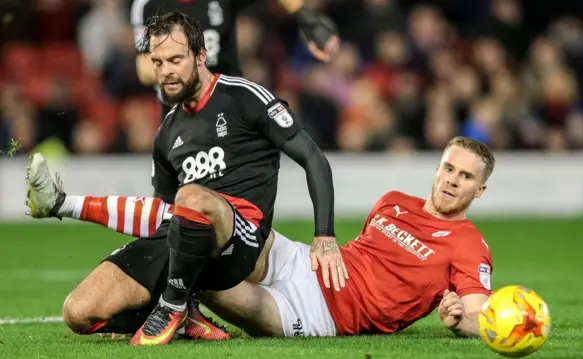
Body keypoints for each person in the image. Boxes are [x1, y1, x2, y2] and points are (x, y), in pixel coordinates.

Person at [28, 10, 346, 347]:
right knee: (77, 311)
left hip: (240, 243)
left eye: (176, 59)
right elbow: (160, 215)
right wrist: (66, 205)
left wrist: (324, 236)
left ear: (200, 55)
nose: (166, 72)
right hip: (187, 241)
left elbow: (313, 158)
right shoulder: (166, 134)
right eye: (158, 62)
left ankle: (173, 303)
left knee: (192, 196)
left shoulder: (244, 97)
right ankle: (186, 316)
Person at [26, 136, 496, 339]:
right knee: (203, 204)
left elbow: (479, 316)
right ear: (437, 169)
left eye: (466, 177)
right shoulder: (393, 200)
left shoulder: (469, 244)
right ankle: (71, 206)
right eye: (449, 168)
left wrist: (459, 321)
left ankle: (176, 301)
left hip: (317, 314)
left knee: (198, 265)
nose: (452, 180)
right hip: (299, 260)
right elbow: (366, 257)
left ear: (481, 188)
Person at [130, 0, 340, 124]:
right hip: (179, 116)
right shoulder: (148, 4)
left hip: (228, 106)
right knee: (178, 196)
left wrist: (308, 21)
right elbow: (144, 67)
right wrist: (193, 67)